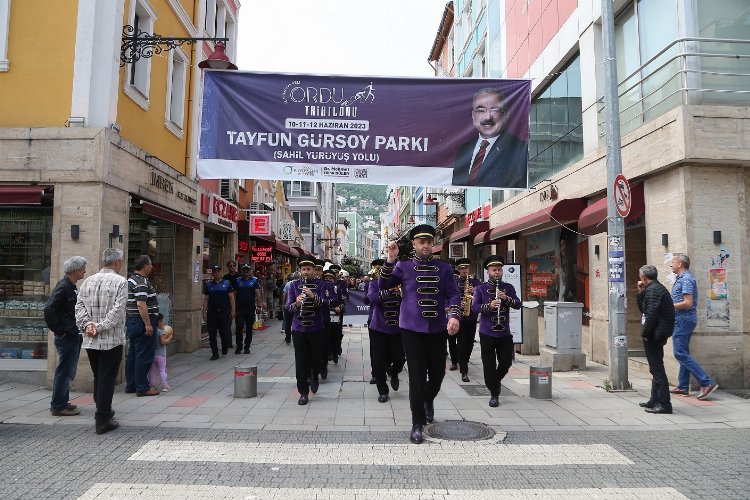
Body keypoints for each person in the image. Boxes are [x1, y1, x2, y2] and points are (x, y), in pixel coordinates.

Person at [379, 224, 461, 444]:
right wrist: (390, 259)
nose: (426, 245)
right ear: (414, 244)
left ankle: (428, 399)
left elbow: (454, 294)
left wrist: (454, 316)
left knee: (437, 374)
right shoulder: (403, 266)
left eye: (428, 242)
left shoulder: (444, 268)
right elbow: (384, 284)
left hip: (436, 329)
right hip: (411, 329)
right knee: (416, 376)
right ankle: (416, 423)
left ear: (432, 244)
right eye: (421, 242)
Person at [74, 248, 127, 434]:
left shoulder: (88, 281)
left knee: (99, 376)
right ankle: (102, 419)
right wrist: (100, 326)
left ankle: (103, 410)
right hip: (110, 340)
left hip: (90, 340)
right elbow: (118, 311)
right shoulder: (121, 282)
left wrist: (88, 324)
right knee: (106, 379)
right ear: (118, 262)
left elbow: (78, 306)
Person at [451, 88, 528, 189]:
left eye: (494, 110)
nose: (487, 117)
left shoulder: (520, 149)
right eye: (481, 110)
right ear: (473, 116)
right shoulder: (463, 150)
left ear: (506, 114)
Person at [471, 255, 521, 407]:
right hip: (487, 333)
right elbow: (474, 308)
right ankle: (494, 394)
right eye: (494, 270)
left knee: (506, 362)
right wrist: (488, 306)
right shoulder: (480, 289)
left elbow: (518, 305)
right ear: (488, 272)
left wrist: (506, 299)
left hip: (504, 333)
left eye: (499, 270)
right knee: (488, 365)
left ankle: (495, 381)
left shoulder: (509, 288)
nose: (497, 273)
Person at [669, 253, 718, 400]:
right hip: (682, 319)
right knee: (683, 352)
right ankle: (683, 386)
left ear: (680, 264)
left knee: (680, 354)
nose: (670, 264)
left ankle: (706, 382)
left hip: (683, 319)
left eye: (673, 261)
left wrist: (669, 307)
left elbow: (688, 303)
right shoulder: (682, 279)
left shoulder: (686, 280)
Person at [44, 255, 87, 417]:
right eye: (83, 268)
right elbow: (49, 309)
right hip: (67, 336)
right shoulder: (63, 286)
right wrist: (60, 331)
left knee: (68, 371)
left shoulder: (71, 285)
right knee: (65, 371)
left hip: (72, 335)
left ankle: (63, 401)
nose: (84, 271)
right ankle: (58, 405)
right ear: (76, 270)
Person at [285, 258, 327, 405]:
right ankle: (303, 392)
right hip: (299, 328)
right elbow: (288, 308)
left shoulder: (321, 285)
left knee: (316, 358)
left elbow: (325, 305)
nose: (306, 272)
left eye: (309, 269)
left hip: (316, 328)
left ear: (314, 271)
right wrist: (296, 303)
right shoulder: (294, 286)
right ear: (300, 271)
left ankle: (315, 375)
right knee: (301, 361)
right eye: (304, 269)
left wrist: (312, 295)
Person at [636, 264, 675, 415]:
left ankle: (665, 404)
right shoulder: (654, 289)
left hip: (655, 333)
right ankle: (654, 399)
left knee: (657, 369)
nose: (640, 280)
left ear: (644, 278)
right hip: (658, 332)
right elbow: (645, 309)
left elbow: (650, 315)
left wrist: (645, 334)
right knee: (655, 367)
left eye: (641, 278)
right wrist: (640, 293)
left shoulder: (654, 290)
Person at [367, 261, 405, 403]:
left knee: (400, 358)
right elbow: (371, 298)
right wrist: (388, 291)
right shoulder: (374, 283)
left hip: (398, 328)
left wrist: (402, 292)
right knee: (378, 361)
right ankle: (382, 391)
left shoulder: (402, 284)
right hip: (379, 327)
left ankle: (394, 372)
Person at [125, 255, 160, 397]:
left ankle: (132, 385)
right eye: (150, 264)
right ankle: (142, 387)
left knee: (133, 354)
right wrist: (148, 324)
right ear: (145, 265)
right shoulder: (141, 281)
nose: (152, 267)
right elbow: (141, 303)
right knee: (143, 354)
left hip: (133, 321)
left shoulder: (131, 279)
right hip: (142, 321)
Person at [455, 258, 481, 382]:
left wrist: (475, 291)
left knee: (470, 342)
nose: (464, 270)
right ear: (458, 269)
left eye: (466, 268)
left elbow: (483, 296)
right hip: (459, 316)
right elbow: (449, 296)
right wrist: (457, 303)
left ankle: (464, 360)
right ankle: (464, 371)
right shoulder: (454, 282)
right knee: (461, 342)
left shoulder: (475, 282)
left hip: (471, 316)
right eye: (462, 268)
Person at [203, 265, 236, 360]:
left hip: (224, 312)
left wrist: (233, 310)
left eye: (218, 271)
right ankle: (215, 353)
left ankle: (224, 347)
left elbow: (231, 298)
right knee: (212, 334)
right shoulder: (209, 285)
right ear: (212, 274)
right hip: (212, 312)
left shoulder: (227, 283)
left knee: (225, 332)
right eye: (215, 272)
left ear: (221, 273)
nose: (217, 273)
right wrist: (204, 312)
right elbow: (206, 299)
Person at [234, 264, 262, 354]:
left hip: (250, 307)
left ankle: (247, 346)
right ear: (241, 271)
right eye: (244, 270)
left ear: (250, 271)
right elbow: (234, 295)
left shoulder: (254, 281)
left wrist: (259, 306)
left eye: (247, 270)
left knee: (249, 328)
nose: (246, 272)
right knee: (239, 326)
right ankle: (239, 346)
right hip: (240, 308)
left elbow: (258, 295)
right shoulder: (237, 281)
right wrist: (233, 308)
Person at [149, 313, 174, 392]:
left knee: (151, 370)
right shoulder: (160, 332)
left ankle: (152, 385)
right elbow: (163, 342)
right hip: (161, 355)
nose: (163, 323)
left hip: (152, 354)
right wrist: (169, 338)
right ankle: (165, 385)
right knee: (162, 370)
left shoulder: (151, 331)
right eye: (162, 321)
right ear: (159, 322)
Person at [222, 260, 239, 349]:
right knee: (227, 323)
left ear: (235, 266)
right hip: (228, 302)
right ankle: (229, 342)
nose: (232, 267)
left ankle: (239, 342)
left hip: (239, 302)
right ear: (228, 267)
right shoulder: (225, 278)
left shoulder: (239, 277)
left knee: (239, 324)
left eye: (233, 265)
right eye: (230, 266)